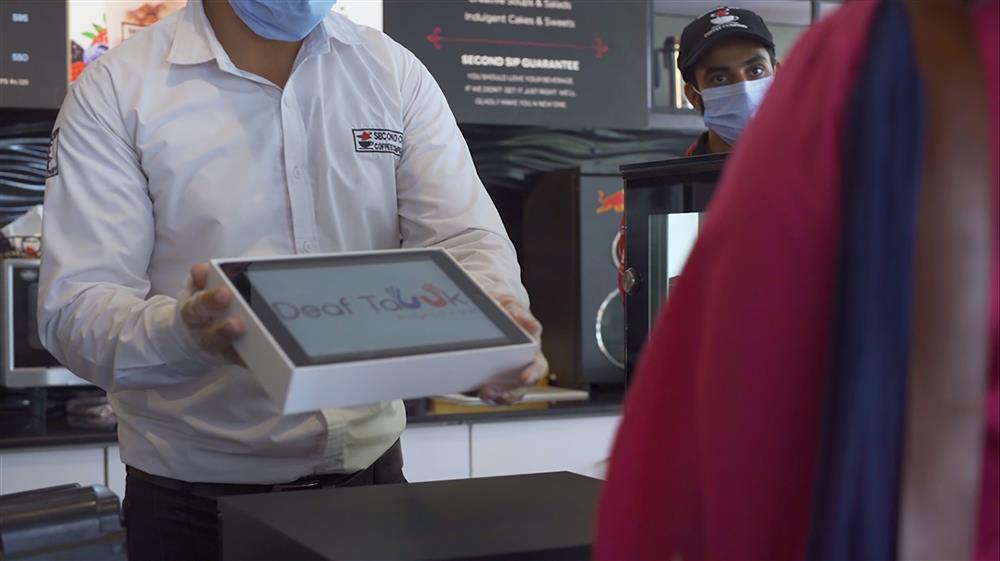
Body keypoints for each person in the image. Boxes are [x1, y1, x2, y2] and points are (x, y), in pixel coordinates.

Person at [37, 1, 548, 559]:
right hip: (193, 511)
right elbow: (76, 307)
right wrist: (185, 334)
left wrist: (492, 325)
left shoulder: (391, 71)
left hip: (373, 491)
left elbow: (464, 240)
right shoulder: (119, 88)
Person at [595, 0, 998, 559]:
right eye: (719, 77)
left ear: (777, 69)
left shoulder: (858, 81)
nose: (742, 86)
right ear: (693, 94)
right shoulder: (666, 191)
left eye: (754, 69)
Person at [677, 6, 779, 156]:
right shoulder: (675, 179)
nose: (744, 89)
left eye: (756, 71)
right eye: (719, 78)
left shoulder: (819, 169)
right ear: (694, 97)